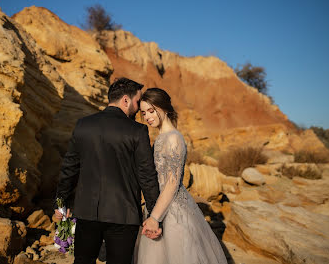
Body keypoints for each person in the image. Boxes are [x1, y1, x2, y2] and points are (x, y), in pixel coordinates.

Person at [54, 78, 162, 264]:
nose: (138, 110)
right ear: (126, 101)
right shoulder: (138, 131)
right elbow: (147, 176)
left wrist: (61, 203)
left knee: (82, 260)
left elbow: (69, 168)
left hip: (86, 211)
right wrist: (154, 215)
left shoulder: (83, 125)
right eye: (137, 102)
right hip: (124, 214)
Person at [135, 88, 228, 264]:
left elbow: (172, 183)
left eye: (151, 110)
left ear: (164, 108)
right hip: (158, 204)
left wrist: (155, 217)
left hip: (173, 210)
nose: (147, 116)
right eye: (144, 112)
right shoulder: (161, 137)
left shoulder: (173, 139)